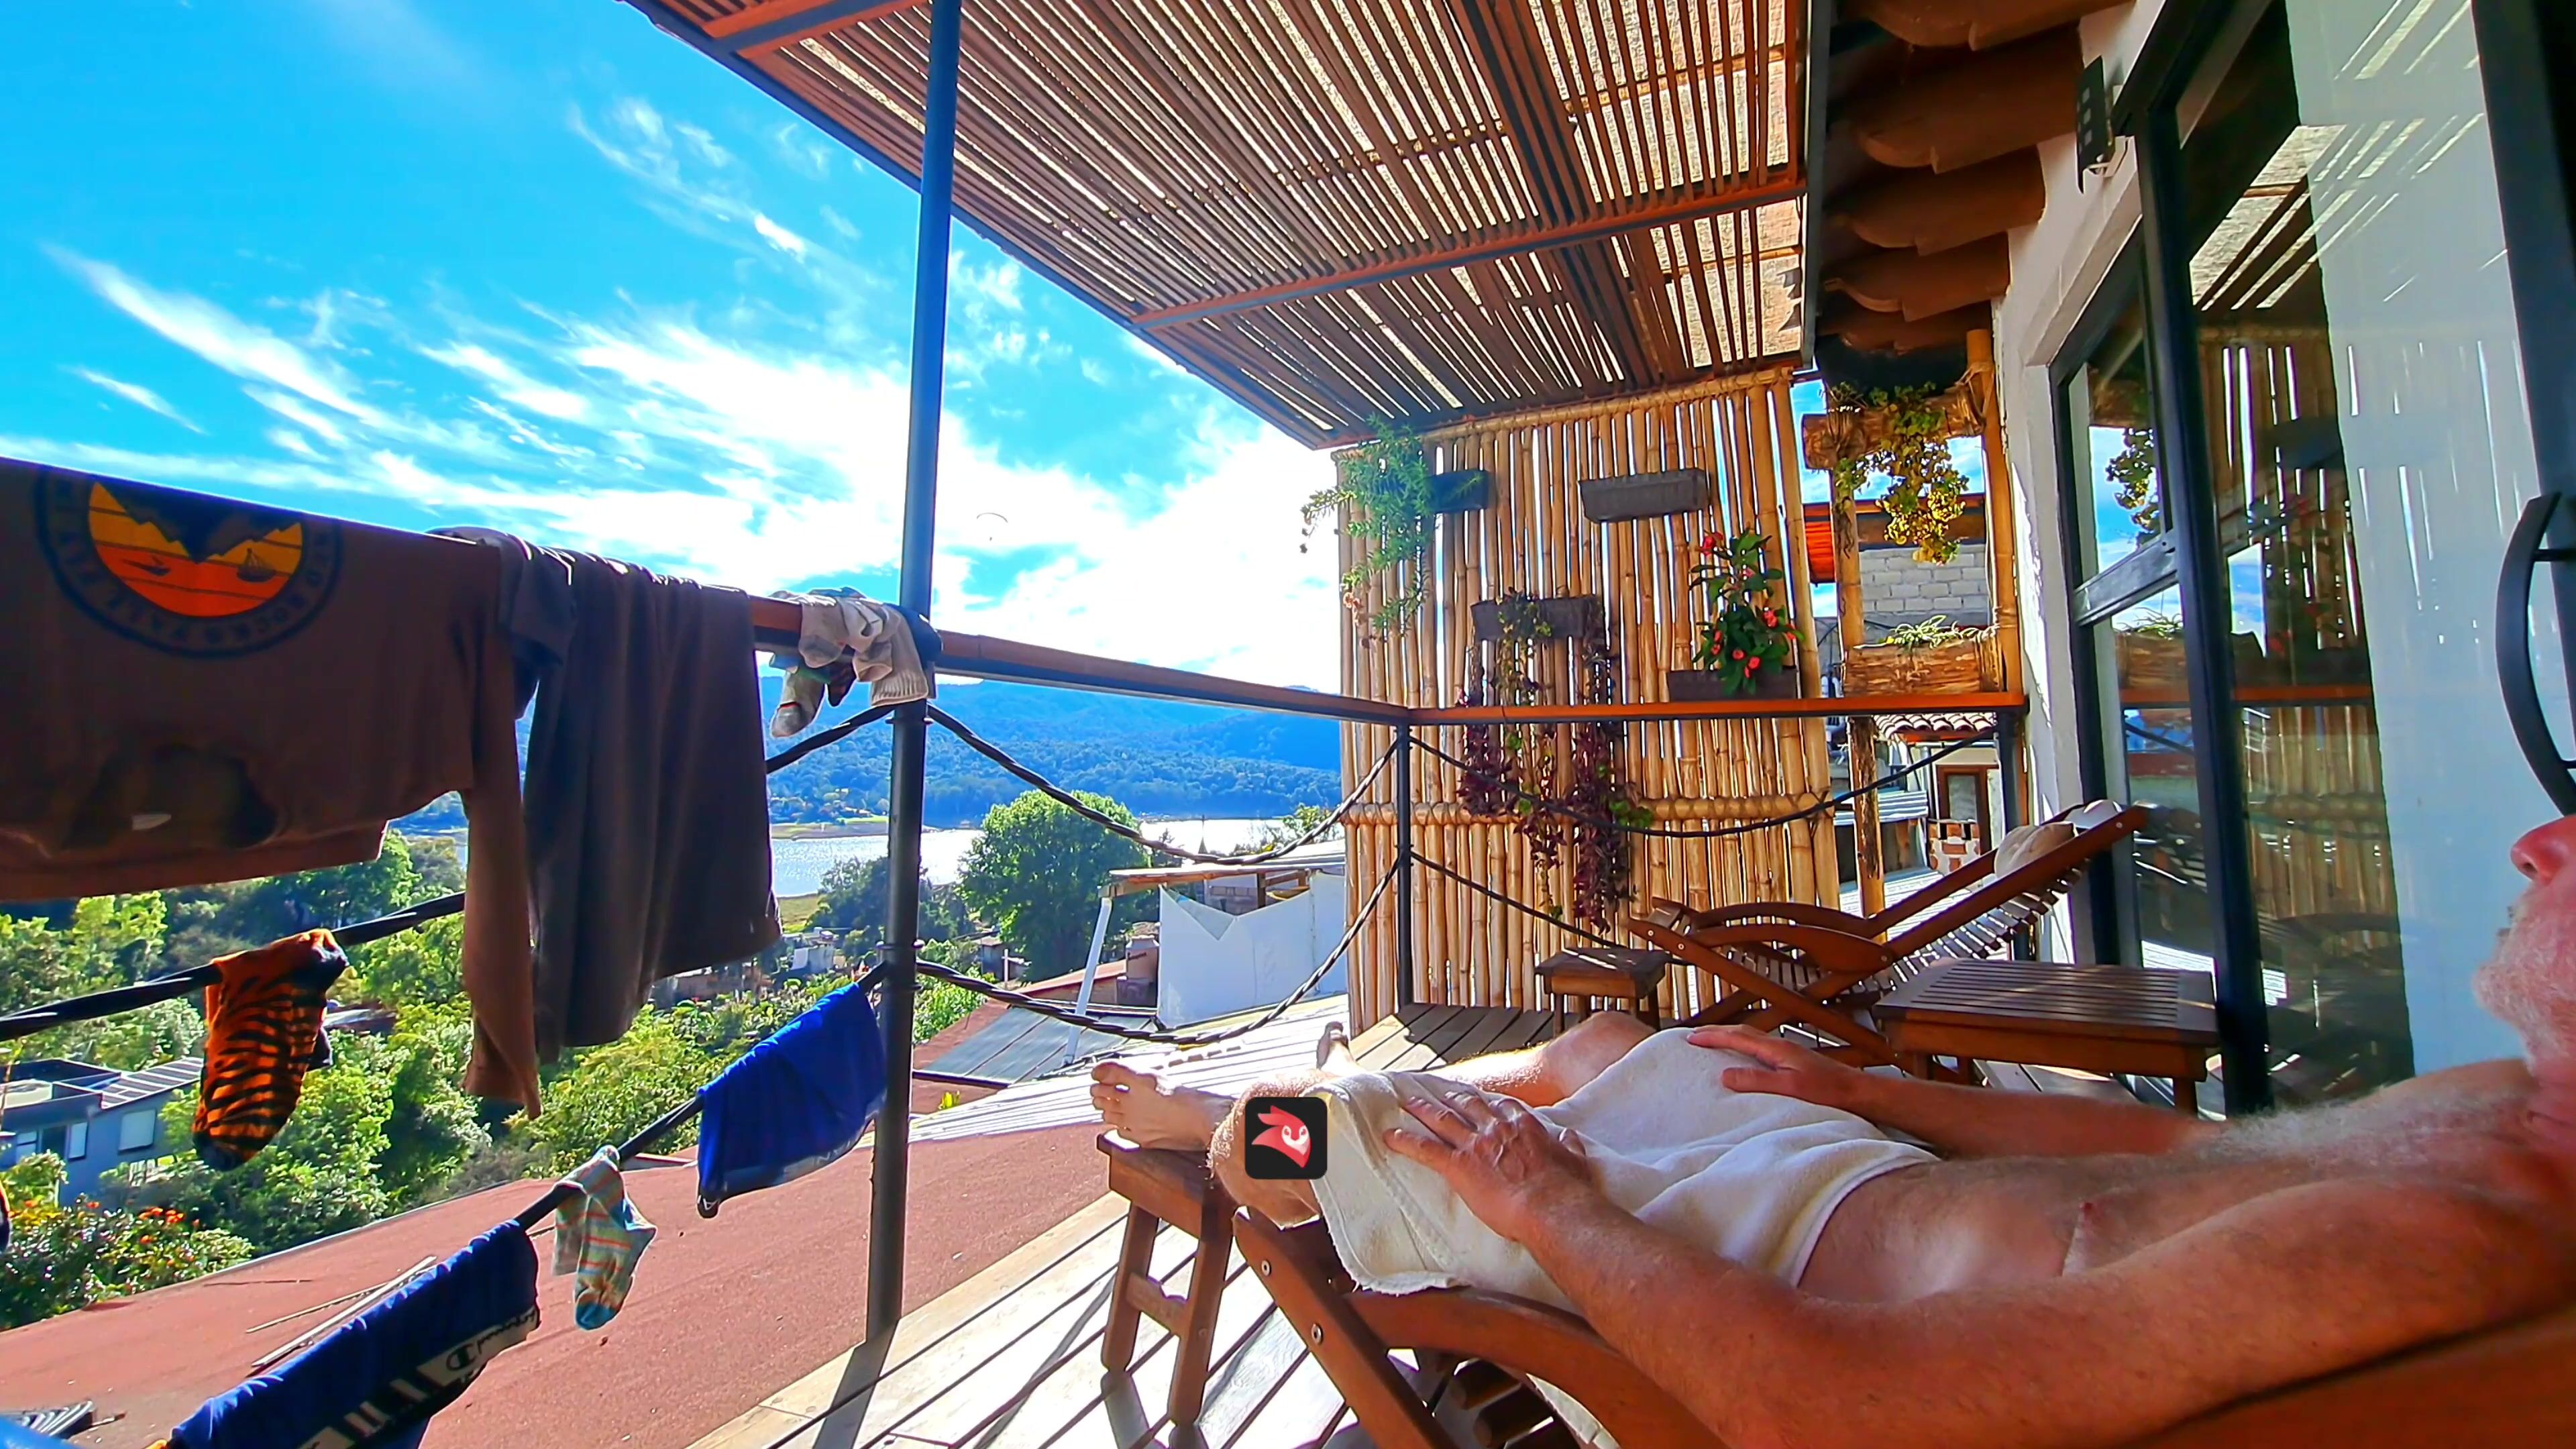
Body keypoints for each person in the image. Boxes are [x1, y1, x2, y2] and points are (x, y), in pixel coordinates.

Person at [1091, 816, 2576, 1449]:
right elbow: (2179, 1158)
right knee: (1624, 1043)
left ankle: (1223, 1123)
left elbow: (1822, 1411)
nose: (2538, 844)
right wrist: (1867, 1092)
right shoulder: (2482, 1120)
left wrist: (1555, 1210)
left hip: (1734, 1272)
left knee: (1340, 1130)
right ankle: (1485, 1093)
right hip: (1835, 1176)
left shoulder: (2436, 1248)